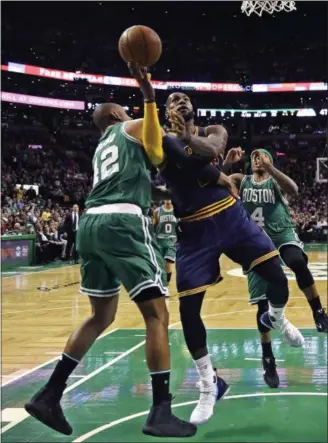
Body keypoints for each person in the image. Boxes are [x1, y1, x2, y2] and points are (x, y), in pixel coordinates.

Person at [24, 66, 197, 438]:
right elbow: (158, 150)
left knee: (99, 316)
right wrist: (151, 98)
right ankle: (160, 411)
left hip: (92, 225)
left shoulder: (103, 146)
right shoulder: (131, 126)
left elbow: (141, 182)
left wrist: (171, 195)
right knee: (157, 316)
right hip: (123, 224)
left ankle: (48, 395)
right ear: (117, 115)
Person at [159, 92, 304, 425]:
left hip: (230, 216)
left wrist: (212, 164)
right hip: (194, 229)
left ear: (193, 108)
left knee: (278, 278)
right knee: (188, 311)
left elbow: (205, 153)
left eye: (184, 97)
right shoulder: (163, 140)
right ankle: (210, 385)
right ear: (167, 113)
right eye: (173, 99)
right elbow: (190, 164)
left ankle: (277, 318)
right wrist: (218, 172)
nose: (180, 101)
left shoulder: (214, 131)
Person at [227, 148, 328, 387]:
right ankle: (268, 357)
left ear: (270, 161)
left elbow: (293, 189)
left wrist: (270, 168)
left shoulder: (274, 180)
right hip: (255, 241)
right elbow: (214, 179)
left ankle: (319, 312)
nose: (256, 158)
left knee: (297, 261)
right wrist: (227, 162)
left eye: (261, 156)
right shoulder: (241, 180)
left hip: (281, 233)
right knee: (262, 304)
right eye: (252, 156)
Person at [153, 199, 177, 289]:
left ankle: (166, 287)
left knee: (168, 265)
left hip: (171, 242)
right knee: (159, 266)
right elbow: (153, 226)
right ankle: (158, 284)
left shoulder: (177, 210)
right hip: (159, 241)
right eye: (166, 198)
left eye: (170, 198)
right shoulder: (157, 211)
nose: (168, 200)